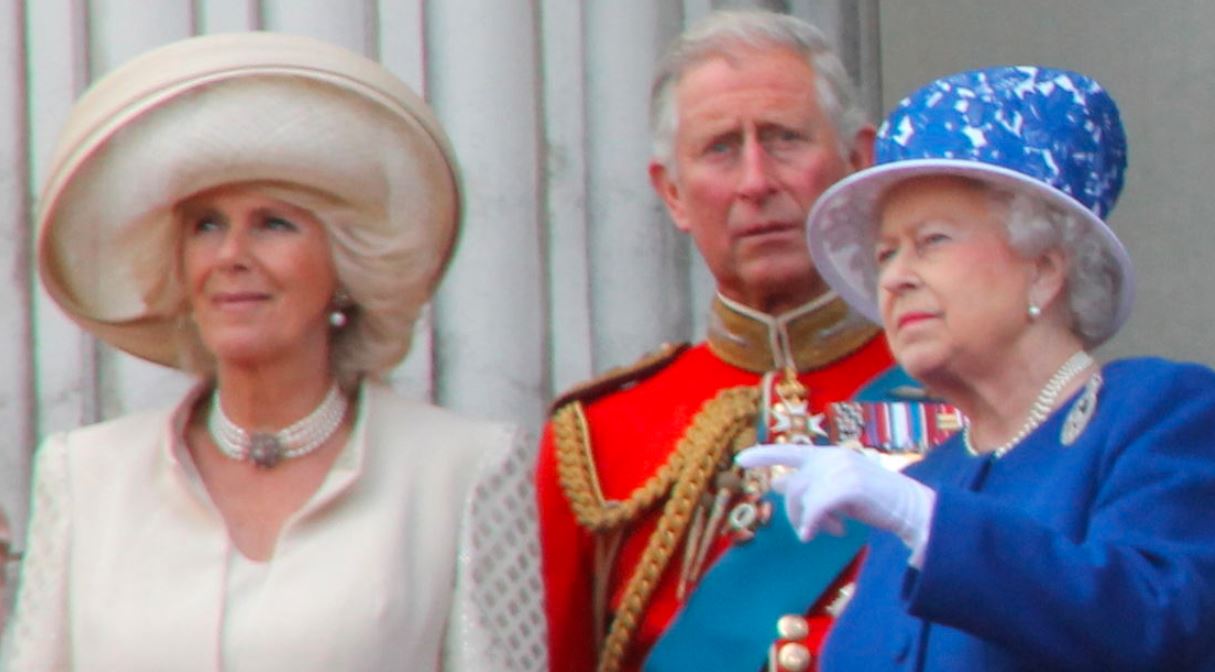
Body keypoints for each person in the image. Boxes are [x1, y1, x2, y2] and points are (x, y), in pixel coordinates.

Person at [0, 33, 545, 671]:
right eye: (207, 225)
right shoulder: (85, 474)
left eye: (273, 223)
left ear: (346, 262)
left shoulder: (461, 470)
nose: (232, 256)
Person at [739, 65, 1215, 670]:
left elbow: (1159, 622)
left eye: (932, 240)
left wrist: (929, 525)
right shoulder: (922, 483)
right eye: (886, 253)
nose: (895, 277)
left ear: (1043, 268)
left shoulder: (1159, 414)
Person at [536, 10, 958, 672]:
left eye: (784, 138)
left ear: (856, 161)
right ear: (672, 194)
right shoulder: (598, 439)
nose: (755, 181)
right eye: (720, 148)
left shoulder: (965, 389)